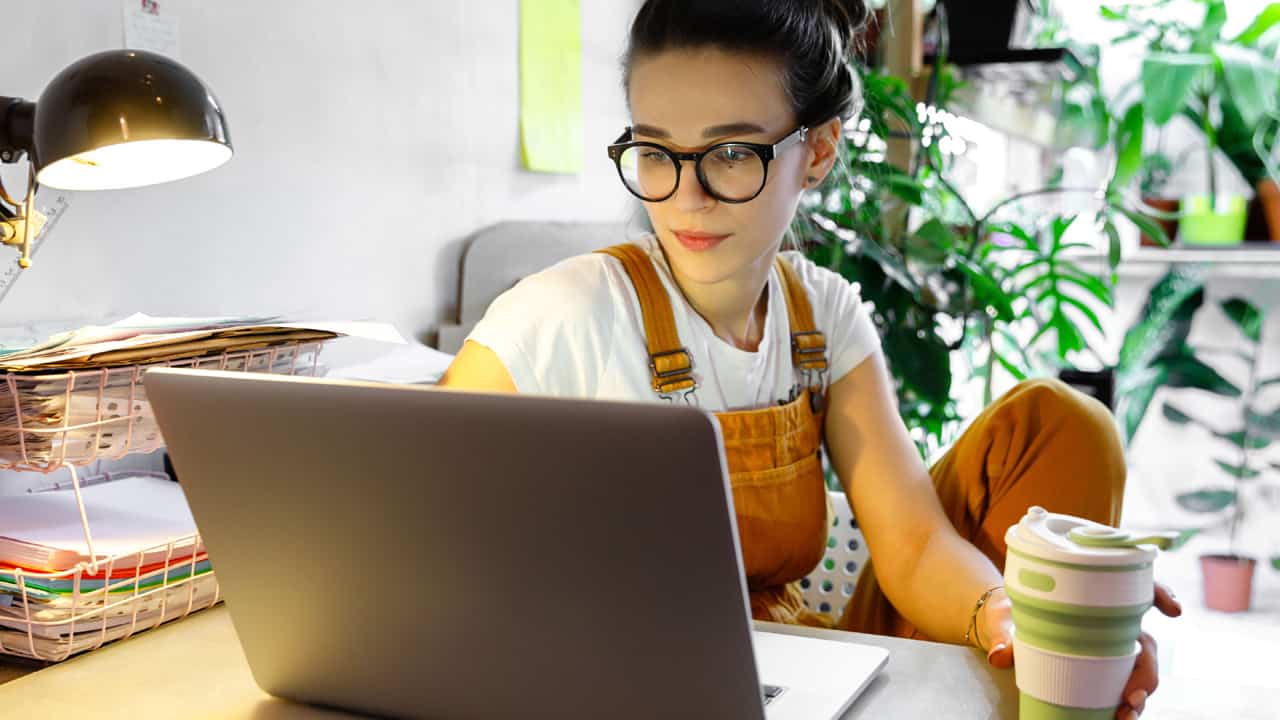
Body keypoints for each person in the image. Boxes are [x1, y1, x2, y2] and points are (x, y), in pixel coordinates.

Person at [441, 2, 1177, 718]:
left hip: (796, 669)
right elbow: (421, 512)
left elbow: (915, 546)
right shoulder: (563, 311)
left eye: (731, 154)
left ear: (817, 151)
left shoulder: (823, 316)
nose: (687, 198)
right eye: (658, 151)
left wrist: (1009, 614)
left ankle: (1049, 675)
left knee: (1061, 425)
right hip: (622, 677)